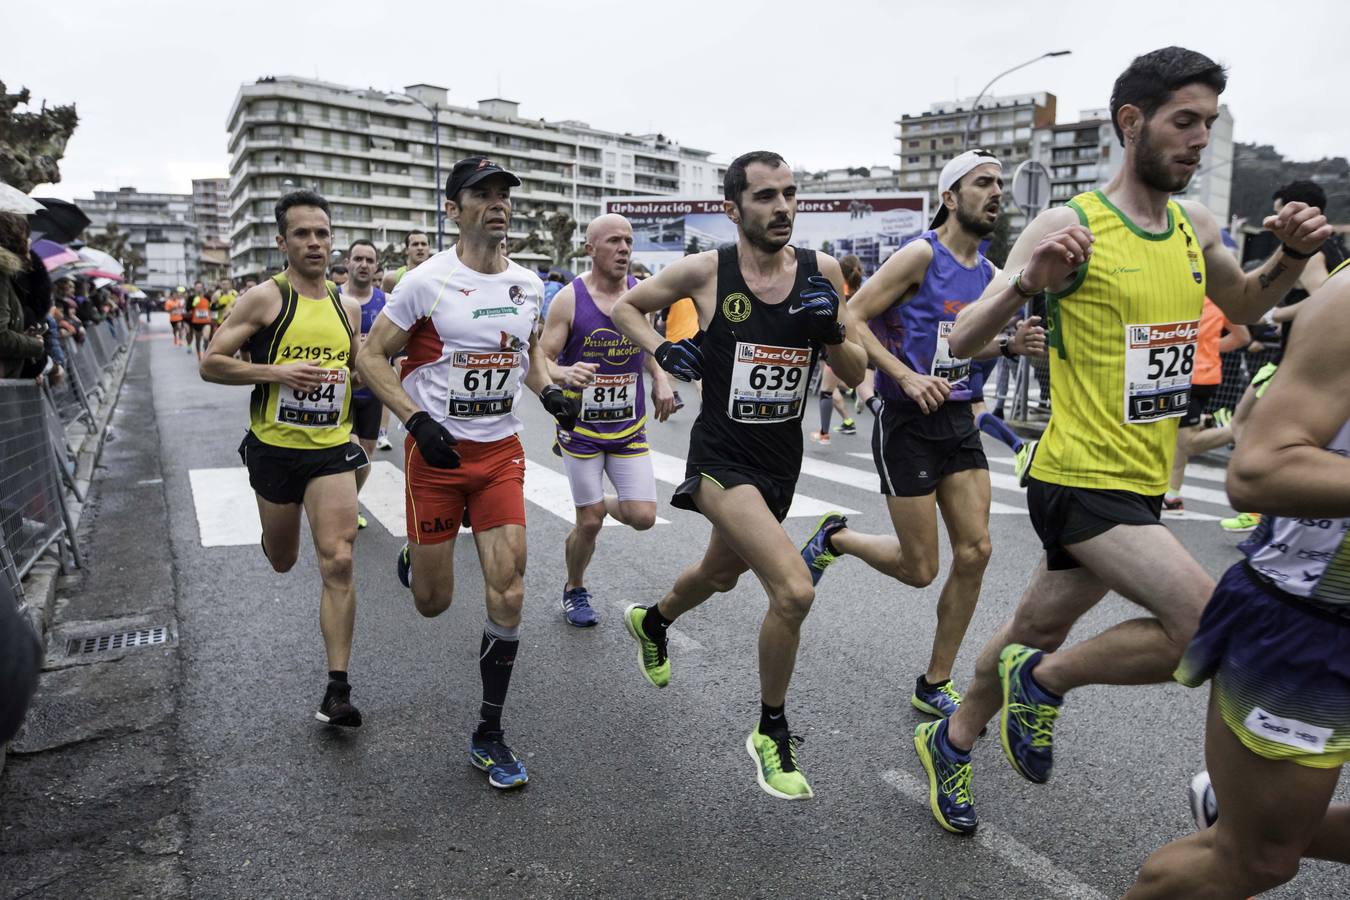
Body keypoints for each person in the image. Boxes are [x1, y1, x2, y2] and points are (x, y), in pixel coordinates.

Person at [910, 46, 1332, 835]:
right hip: (1076, 475)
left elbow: (1243, 301)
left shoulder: (1192, 224)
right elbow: (963, 339)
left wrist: (1294, 255)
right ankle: (1045, 683)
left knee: (1031, 623)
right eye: (1184, 121)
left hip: (1138, 480)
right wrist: (1030, 280)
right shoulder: (1072, 222)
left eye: (1208, 123)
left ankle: (954, 735)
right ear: (1131, 122)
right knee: (1210, 627)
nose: (1199, 138)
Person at [610, 150, 868, 800]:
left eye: (789, 194)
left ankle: (654, 622)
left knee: (720, 575)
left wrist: (829, 327)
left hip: (780, 463)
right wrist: (665, 352)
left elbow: (857, 371)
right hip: (722, 460)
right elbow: (627, 309)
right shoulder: (706, 271)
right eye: (765, 197)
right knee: (793, 591)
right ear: (733, 210)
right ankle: (770, 729)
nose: (782, 207)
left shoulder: (823, 272)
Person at [357, 156, 581, 790]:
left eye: (504, 193)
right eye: (481, 194)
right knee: (433, 604)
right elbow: (370, 355)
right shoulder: (425, 284)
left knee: (509, 591)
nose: (497, 203)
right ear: (453, 209)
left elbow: (526, 355)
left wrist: (549, 392)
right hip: (435, 459)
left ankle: (489, 732)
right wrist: (413, 419)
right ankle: (415, 558)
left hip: (499, 456)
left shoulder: (529, 285)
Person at [1127, 262, 1350, 898]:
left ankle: (1253, 818)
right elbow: (1255, 471)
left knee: (1264, 841)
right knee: (1258, 861)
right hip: (1312, 618)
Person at [803, 149, 1046, 723]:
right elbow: (853, 315)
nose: (995, 192)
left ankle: (935, 681)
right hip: (905, 420)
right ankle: (834, 539)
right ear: (949, 197)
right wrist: (906, 375)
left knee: (977, 550)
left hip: (958, 421)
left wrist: (1008, 345)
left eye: (998, 185)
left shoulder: (989, 275)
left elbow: (966, 344)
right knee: (919, 568)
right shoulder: (919, 254)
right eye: (981, 183)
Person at [200, 190, 367, 729]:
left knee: (338, 559)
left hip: (331, 449)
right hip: (274, 449)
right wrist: (277, 372)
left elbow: (357, 369)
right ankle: (274, 531)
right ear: (282, 242)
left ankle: (337, 690)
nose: (314, 242)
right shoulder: (263, 299)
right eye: (302, 234)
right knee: (283, 558)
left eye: (322, 233)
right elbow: (212, 363)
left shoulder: (350, 307)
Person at [538, 213, 675, 627]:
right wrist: (565, 373)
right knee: (592, 521)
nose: (624, 249)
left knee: (643, 517)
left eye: (628, 241)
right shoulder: (569, 299)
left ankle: (592, 507)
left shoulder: (640, 293)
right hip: (580, 429)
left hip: (628, 426)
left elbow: (649, 343)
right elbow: (541, 359)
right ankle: (574, 587)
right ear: (590, 249)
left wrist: (661, 379)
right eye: (614, 241)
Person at [1163, 297, 1248, 514]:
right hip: (1204, 376)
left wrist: (1206, 346)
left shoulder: (1177, 295)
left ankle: (1240, 430)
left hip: (1187, 378)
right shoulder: (1220, 300)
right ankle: (1172, 495)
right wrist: (1209, 347)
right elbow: (1242, 337)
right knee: (1177, 440)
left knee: (1187, 442)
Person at [1265, 180, 1346, 360]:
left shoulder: (1311, 255)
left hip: (1305, 356)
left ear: (1296, 214)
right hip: (1321, 350)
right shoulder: (1336, 245)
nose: (1274, 222)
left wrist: (1274, 315)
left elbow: (1327, 302)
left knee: (1257, 388)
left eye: (1278, 215)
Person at [341, 239, 386, 530]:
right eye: (358, 258)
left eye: (369, 260)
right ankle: (341, 507)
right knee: (348, 449)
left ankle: (349, 501)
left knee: (365, 457)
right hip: (339, 391)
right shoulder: (331, 297)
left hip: (372, 390)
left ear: (376, 267)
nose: (363, 264)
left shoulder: (386, 302)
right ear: (347, 263)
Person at [381, 229, 431, 293]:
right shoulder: (391, 279)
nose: (420, 248)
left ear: (429, 249)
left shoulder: (438, 277)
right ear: (407, 250)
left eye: (423, 244)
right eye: (415, 244)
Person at [187, 282, 212, 359]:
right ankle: (199, 355)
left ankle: (206, 355)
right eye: (197, 287)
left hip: (206, 321)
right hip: (196, 322)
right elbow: (187, 309)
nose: (199, 288)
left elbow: (211, 307)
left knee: (206, 338)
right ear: (194, 288)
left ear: (203, 288)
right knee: (198, 340)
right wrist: (193, 305)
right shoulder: (191, 297)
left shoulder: (207, 296)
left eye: (200, 287)